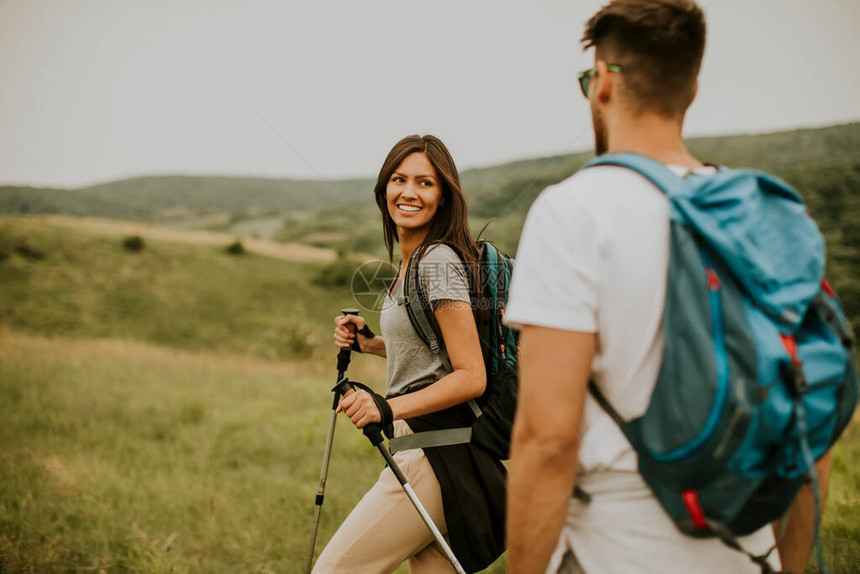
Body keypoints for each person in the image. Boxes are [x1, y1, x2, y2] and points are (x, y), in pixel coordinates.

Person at [502, 1, 832, 573]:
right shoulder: (766, 216)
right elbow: (807, 426)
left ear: (602, 82)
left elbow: (547, 441)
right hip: (749, 551)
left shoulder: (572, 210)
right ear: (693, 89)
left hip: (618, 550)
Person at [312, 135, 506, 573]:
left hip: (433, 453)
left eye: (425, 182)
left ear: (443, 197)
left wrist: (385, 406)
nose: (409, 192)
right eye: (399, 179)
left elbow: (470, 374)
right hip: (433, 453)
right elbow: (432, 355)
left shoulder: (436, 261)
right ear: (384, 189)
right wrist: (370, 344)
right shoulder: (411, 264)